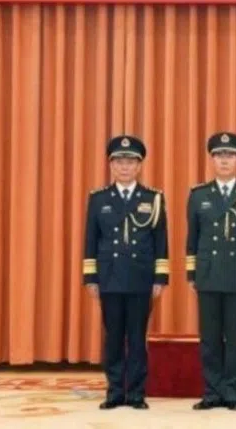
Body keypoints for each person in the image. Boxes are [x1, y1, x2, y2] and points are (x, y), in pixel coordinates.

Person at [83, 135, 168, 410]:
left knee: (137, 336)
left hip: (141, 278)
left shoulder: (153, 198)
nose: (124, 166)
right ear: (111, 165)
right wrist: (91, 277)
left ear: (139, 165)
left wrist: (160, 277)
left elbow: (160, 241)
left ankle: (137, 392)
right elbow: (90, 241)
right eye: (119, 161)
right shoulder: (98, 199)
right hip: (109, 277)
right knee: (114, 337)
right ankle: (115, 390)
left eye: (130, 161)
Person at [187, 132, 236, 411]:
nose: (224, 160)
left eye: (230, 155)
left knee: (233, 335)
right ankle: (211, 391)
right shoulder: (198, 195)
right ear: (211, 159)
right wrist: (191, 273)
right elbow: (192, 238)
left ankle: (232, 392)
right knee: (209, 337)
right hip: (208, 274)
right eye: (219, 155)